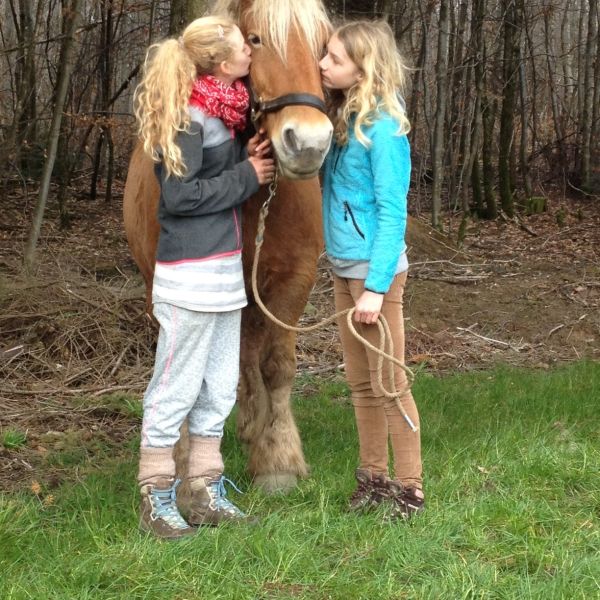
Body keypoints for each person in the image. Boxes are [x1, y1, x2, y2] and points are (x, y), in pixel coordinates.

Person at [133, 15, 275, 539]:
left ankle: (204, 489)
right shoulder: (188, 114)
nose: (251, 53)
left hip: (221, 274)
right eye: (246, 46)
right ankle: (156, 493)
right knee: (175, 385)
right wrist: (246, 175)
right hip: (189, 276)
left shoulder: (223, 112)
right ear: (221, 61)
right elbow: (180, 197)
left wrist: (246, 156)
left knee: (217, 385)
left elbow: (211, 173)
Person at [319, 20, 424, 519]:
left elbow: (392, 210)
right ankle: (373, 480)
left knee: (390, 382)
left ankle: (410, 490)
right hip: (344, 268)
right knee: (360, 384)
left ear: (364, 68)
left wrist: (377, 288)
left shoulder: (384, 126)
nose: (323, 65)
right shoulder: (341, 119)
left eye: (335, 59)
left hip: (373, 275)